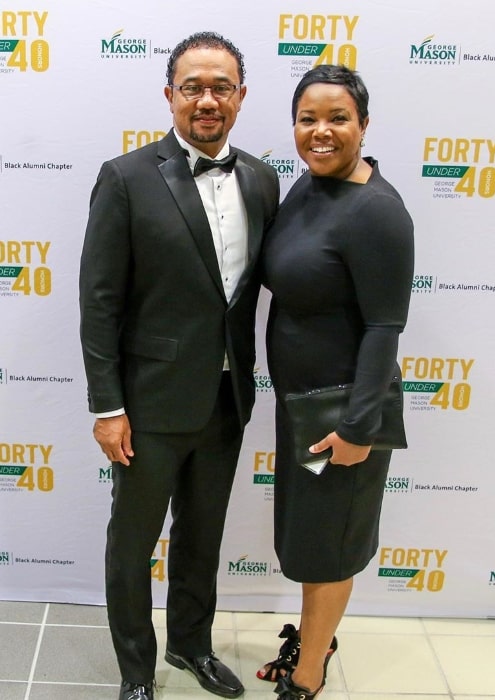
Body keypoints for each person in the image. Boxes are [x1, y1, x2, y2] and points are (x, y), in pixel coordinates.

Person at [79, 31, 279, 700]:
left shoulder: (262, 178)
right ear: (169, 95)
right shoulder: (126, 177)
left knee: (201, 539)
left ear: (242, 97)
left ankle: (192, 645)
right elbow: (100, 303)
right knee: (132, 547)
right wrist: (107, 407)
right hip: (148, 406)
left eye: (221, 86)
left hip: (226, 403)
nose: (207, 99)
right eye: (193, 86)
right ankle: (138, 672)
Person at [257, 64, 414, 699]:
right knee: (311, 538)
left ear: (364, 125)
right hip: (302, 406)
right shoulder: (310, 186)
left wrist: (357, 429)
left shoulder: (376, 211)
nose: (321, 132)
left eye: (338, 118)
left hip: (342, 414)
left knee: (331, 546)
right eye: (308, 119)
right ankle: (317, 636)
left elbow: (384, 328)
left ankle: (310, 671)